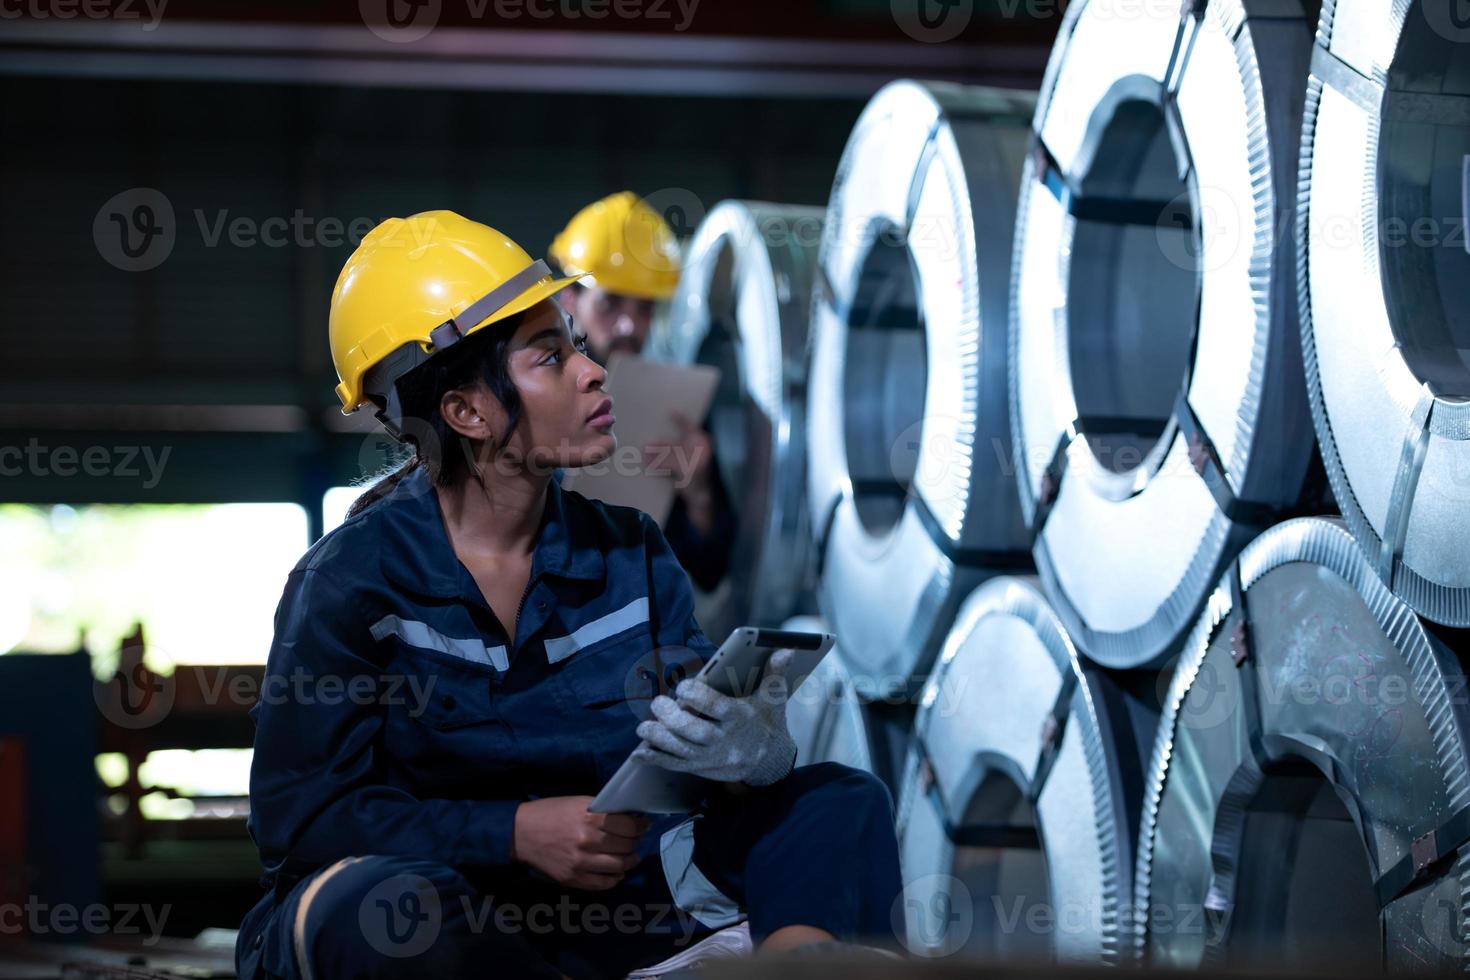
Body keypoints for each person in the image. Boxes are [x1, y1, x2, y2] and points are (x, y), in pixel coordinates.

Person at [234, 211, 903, 980]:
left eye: (575, 347)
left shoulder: (632, 554)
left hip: (605, 906)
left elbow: (679, 773)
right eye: (551, 357)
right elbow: (304, 821)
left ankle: (793, 968)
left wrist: (750, 754)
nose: (594, 371)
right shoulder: (350, 582)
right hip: (442, 905)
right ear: (468, 412)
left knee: (840, 803)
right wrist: (514, 832)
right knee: (388, 908)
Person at [548, 192, 736, 593]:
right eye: (611, 304)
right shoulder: (533, 402)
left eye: (645, 309)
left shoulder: (676, 409)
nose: (628, 327)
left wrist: (699, 495)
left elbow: (709, 568)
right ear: (570, 301)